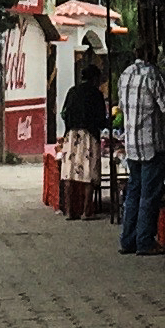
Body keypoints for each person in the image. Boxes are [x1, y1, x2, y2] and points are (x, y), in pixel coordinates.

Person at [116, 44, 165, 253]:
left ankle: (128, 240)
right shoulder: (153, 75)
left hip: (132, 145)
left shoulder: (125, 75)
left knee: (133, 193)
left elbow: (122, 107)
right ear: (151, 54)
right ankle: (145, 242)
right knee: (149, 195)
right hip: (152, 145)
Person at [58, 43, 108, 219]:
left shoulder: (72, 91)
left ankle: (69, 211)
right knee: (88, 174)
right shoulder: (96, 94)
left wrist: (69, 128)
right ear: (94, 79)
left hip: (72, 135)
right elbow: (101, 118)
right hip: (89, 135)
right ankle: (86, 211)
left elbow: (63, 113)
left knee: (69, 174)